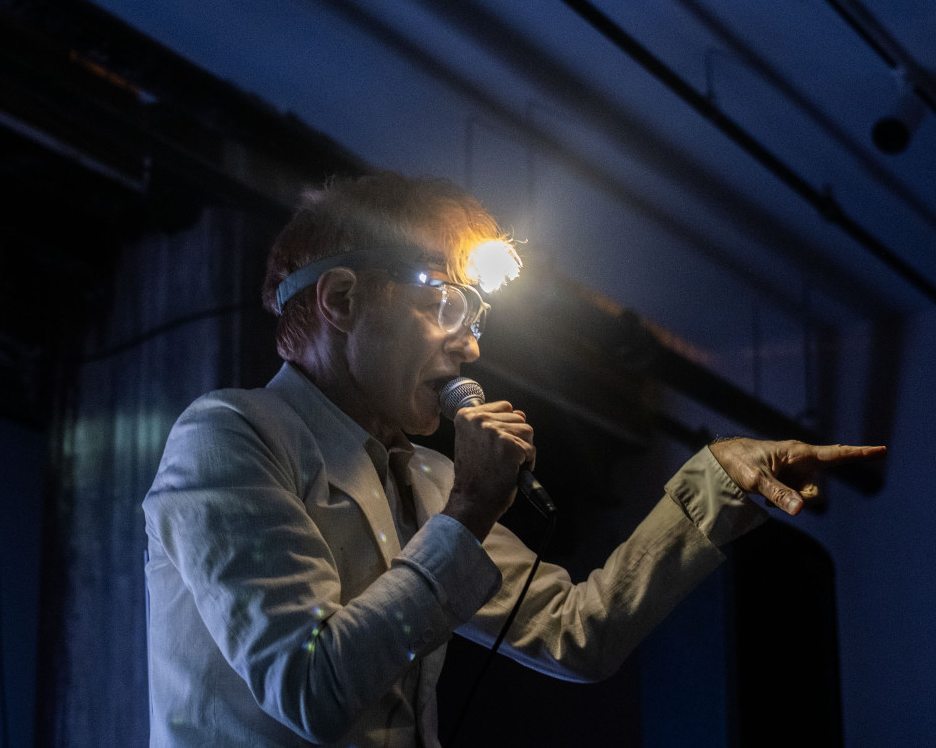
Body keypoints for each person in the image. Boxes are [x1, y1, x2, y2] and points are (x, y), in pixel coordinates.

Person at [142, 171, 886, 747]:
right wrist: (468, 511)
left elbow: (576, 633)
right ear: (340, 299)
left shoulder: (429, 479)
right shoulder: (230, 436)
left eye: (477, 316)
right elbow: (310, 686)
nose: (471, 347)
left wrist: (714, 481)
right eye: (446, 304)